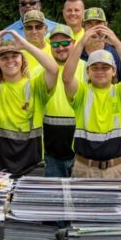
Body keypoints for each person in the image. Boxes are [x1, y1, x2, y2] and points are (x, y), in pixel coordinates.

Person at [0, 27, 58, 177]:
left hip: (31, 166)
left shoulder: (35, 86)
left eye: (15, 56)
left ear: (22, 59)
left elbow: (53, 69)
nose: (10, 60)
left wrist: (26, 45)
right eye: (4, 57)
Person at [62, 25, 121, 179]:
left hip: (116, 169)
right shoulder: (82, 92)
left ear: (114, 71)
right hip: (84, 169)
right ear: (87, 72)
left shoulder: (120, 92)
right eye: (94, 67)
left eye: (105, 67)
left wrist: (115, 42)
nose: (100, 71)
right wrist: (81, 43)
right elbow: (67, 78)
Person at [42, 25, 78, 177]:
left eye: (65, 43)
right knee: (53, 200)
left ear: (74, 43)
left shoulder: (88, 69)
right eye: (55, 44)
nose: (60, 48)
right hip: (50, 155)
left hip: (81, 155)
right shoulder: (40, 72)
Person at [79, 7, 121, 81]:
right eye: (89, 24)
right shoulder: (76, 54)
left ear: (106, 25)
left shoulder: (115, 54)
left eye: (98, 23)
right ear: (83, 27)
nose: (94, 28)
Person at [21, 9, 50, 76]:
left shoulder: (54, 51)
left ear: (45, 29)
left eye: (38, 27)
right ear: (24, 30)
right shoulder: (18, 55)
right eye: (29, 27)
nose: (34, 31)